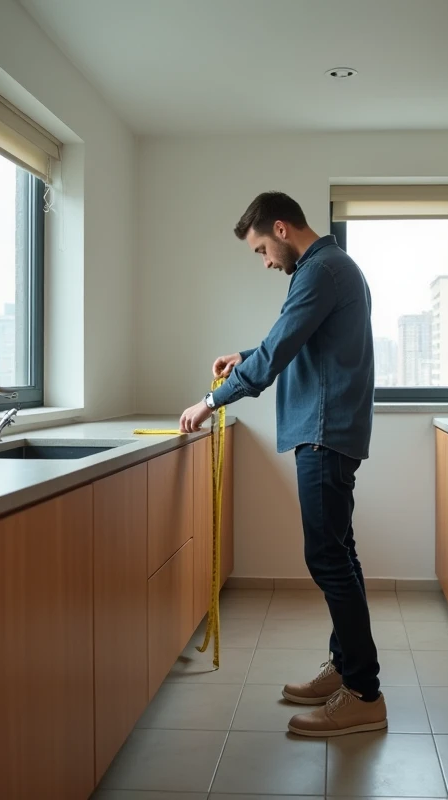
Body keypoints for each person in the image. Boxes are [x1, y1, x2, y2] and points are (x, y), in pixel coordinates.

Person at [179, 191, 384, 737]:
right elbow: (287, 343)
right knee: (341, 554)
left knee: (328, 559)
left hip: (323, 434)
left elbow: (278, 357)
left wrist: (210, 400)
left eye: (262, 250)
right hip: (327, 432)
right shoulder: (329, 269)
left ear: (282, 228)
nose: (266, 261)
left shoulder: (322, 270)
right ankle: (348, 668)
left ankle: (364, 692)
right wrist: (245, 356)